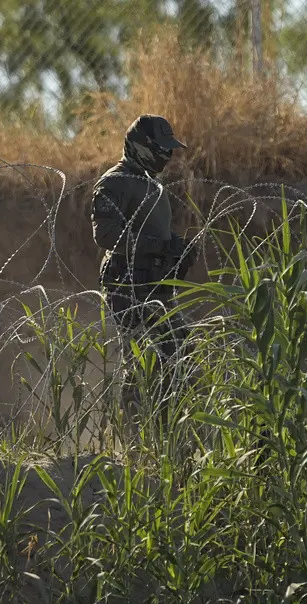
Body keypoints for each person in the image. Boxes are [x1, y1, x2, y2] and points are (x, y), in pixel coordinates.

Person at [90, 114, 199, 421]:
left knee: (178, 350)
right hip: (127, 281)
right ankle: (134, 432)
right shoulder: (116, 181)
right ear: (143, 147)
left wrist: (177, 247)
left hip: (152, 281)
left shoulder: (149, 182)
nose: (168, 156)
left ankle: (165, 427)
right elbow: (106, 234)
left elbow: (153, 230)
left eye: (170, 149)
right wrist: (159, 247)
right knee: (140, 359)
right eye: (162, 149)